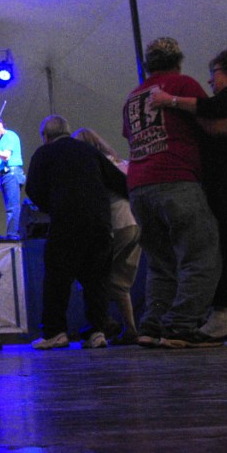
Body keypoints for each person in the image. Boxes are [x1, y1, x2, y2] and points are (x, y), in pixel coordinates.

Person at [148, 47, 227, 345]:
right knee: (222, 249)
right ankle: (220, 316)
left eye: (214, 73)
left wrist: (171, 101)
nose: (209, 81)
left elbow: (210, 113)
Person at [121, 37, 222, 348]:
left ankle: (151, 327)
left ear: (146, 65)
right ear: (178, 60)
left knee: (161, 263)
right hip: (177, 179)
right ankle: (180, 326)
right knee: (201, 257)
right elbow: (209, 121)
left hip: (139, 185)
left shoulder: (132, 97)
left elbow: (130, 135)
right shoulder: (183, 84)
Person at [26, 116, 127, 349]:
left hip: (66, 222)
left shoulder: (43, 153)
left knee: (57, 279)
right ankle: (96, 331)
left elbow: (33, 189)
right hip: (99, 223)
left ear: (46, 136)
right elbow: (119, 181)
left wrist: (52, 207)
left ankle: (55, 332)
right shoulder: (89, 151)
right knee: (96, 280)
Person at [72, 127, 142, 345]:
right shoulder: (120, 162)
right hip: (136, 224)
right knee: (120, 280)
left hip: (116, 225)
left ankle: (100, 328)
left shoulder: (93, 167)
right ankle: (130, 329)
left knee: (94, 277)